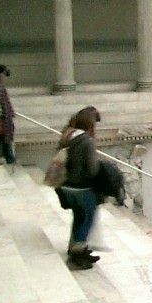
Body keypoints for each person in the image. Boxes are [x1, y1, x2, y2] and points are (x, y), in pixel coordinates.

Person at [56, 106, 102, 270]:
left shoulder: (67, 135)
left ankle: (76, 248)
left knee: (78, 216)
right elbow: (91, 169)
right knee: (87, 218)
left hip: (65, 186)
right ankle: (78, 253)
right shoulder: (87, 141)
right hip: (81, 187)